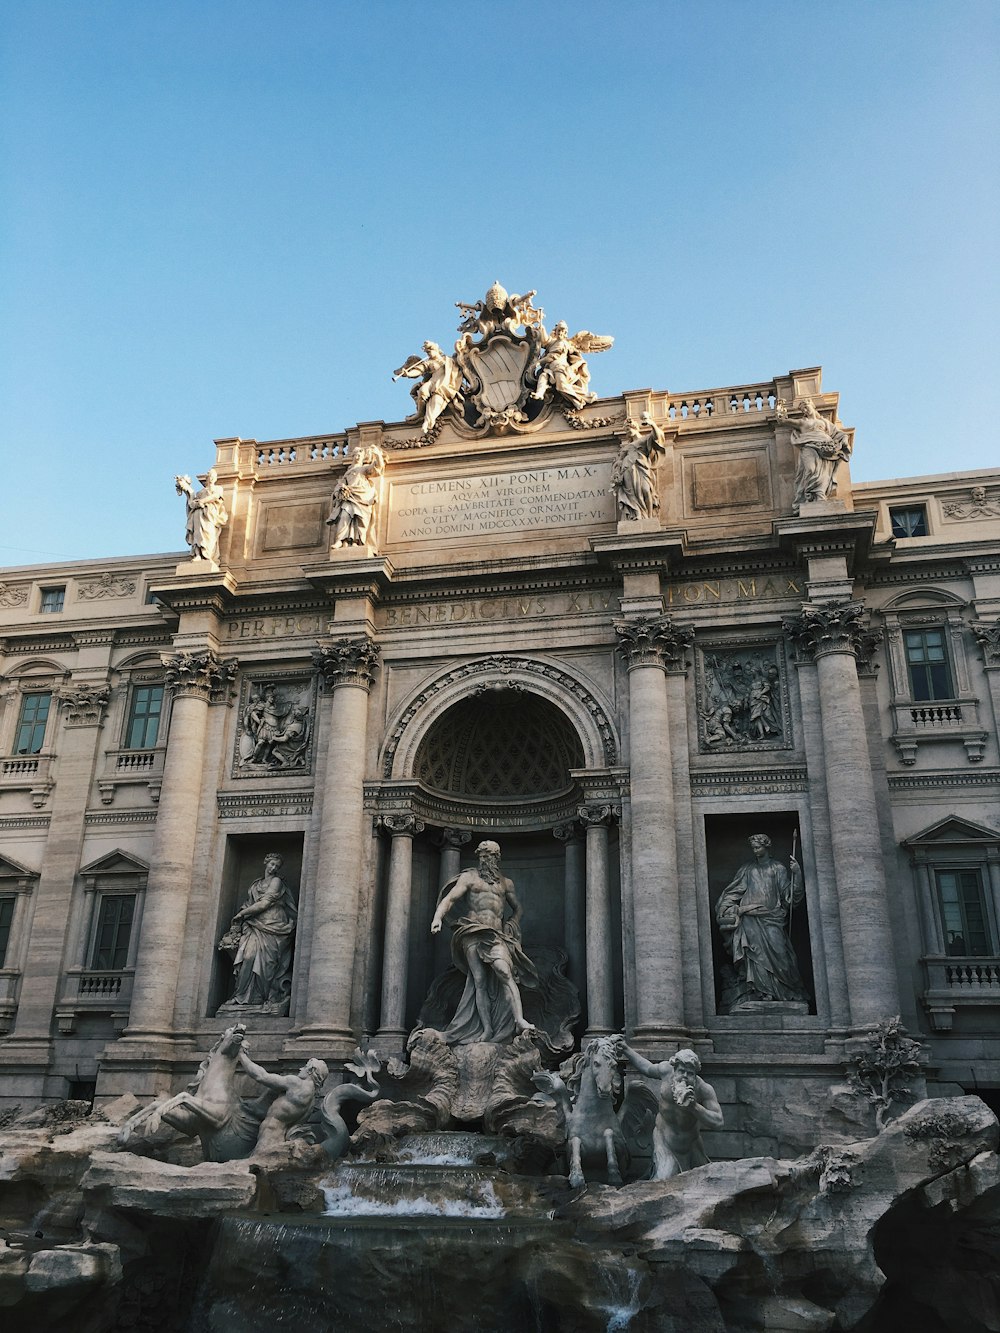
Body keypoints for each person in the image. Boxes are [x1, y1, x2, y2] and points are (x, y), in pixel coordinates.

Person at [430, 840, 539, 1044]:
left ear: (496, 858)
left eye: (488, 856)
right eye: (482, 856)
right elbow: (450, 899)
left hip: (496, 935)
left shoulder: (506, 883)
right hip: (472, 932)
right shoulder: (469, 878)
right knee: (479, 980)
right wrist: (437, 917)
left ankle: (519, 1020)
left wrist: (513, 922)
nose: (485, 859)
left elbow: (518, 908)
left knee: (505, 972)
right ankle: (487, 1029)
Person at [714, 834, 808, 1009]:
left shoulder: (778, 869)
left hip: (772, 918)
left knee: (782, 956)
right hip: (750, 919)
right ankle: (759, 992)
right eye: (754, 848)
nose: (756, 851)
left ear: (767, 847)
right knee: (754, 955)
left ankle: (784, 992)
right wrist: (726, 907)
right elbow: (734, 891)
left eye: (758, 847)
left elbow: (789, 898)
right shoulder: (747, 869)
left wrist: (797, 874)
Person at [614, 1043, 724, 1178]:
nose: (684, 1076)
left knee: (702, 1182)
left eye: (689, 1073)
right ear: (674, 1068)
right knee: (664, 1179)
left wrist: (694, 1107)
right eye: (681, 1071)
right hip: (664, 1141)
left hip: (691, 1145)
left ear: (695, 1074)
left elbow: (718, 1122)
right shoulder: (666, 1070)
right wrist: (626, 1049)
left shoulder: (703, 1089)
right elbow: (647, 1068)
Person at [220, 853, 297, 1014]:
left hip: (273, 924)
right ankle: (242, 996)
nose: (274, 868)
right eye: (272, 864)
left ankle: (261, 998)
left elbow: (265, 903)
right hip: (254, 924)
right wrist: (244, 912)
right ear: (265, 863)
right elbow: (250, 903)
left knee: (267, 964)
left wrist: (241, 915)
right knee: (247, 956)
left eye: (277, 866)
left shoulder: (277, 882)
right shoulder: (256, 884)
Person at [237, 1046, 329, 1153]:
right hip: (280, 1139)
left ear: (311, 1070)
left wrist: (241, 1055)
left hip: (269, 1138)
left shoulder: (296, 1084)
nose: (301, 1069)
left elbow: (261, 1076)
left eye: (305, 1067)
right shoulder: (312, 1101)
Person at [777, 398, 852, 508]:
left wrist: (844, 441)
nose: (806, 410)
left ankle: (819, 496)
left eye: (807, 407)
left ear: (813, 406)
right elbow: (782, 420)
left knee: (824, 474)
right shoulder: (802, 422)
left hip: (826, 449)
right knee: (811, 469)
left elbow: (839, 434)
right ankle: (809, 495)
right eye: (803, 409)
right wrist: (780, 407)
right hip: (809, 446)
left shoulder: (825, 422)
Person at [393, 341, 464, 434]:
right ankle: (420, 413)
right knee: (422, 391)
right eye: (427, 352)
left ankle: (428, 422)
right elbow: (419, 370)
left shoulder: (448, 360)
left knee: (437, 398)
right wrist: (408, 374)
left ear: (437, 350)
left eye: (430, 350)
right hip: (433, 382)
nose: (429, 353)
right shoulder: (429, 362)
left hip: (445, 383)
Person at [326, 443, 385, 548]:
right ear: (352, 457)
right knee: (344, 516)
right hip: (349, 497)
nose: (358, 457)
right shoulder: (347, 472)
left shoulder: (363, 469)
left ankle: (357, 541)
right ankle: (341, 540)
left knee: (359, 519)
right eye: (356, 455)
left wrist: (377, 455)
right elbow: (338, 487)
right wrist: (340, 489)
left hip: (362, 498)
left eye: (360, 455)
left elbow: (377, 468)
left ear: (363, 458)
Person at [611, 413, 667, 520]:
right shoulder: (627, 446)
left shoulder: (645, 439)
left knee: (646, 490)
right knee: (631, 494)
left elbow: (657, 437)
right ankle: (636, 513)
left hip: (641, 468)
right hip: (627, 469)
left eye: (628, 429)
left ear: (634, 427)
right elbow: (619, 461)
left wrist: (652, 424)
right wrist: (617, 473)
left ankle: (649, 516)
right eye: (626, 430)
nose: (627, 432)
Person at [175, 468, 229, 562]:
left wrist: (203, 501)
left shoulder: (218, 488)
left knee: (208, 533)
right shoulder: (201, 492)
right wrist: (187, 490)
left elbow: (215, 496)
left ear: (215, 478)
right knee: (197, 534)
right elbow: (191, 502)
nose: (211, 478)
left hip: (209, 514)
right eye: (209, 476)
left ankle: (207, 554)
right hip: (198, 514)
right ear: (207, 478)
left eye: (213, 476)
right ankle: (198, 554)